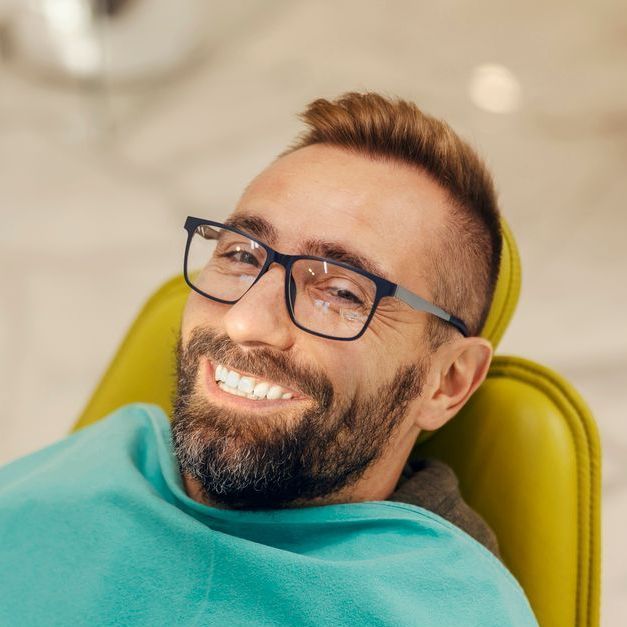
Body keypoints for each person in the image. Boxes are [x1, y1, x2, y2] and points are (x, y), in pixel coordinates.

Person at [0, 92, 538, 626]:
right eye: (240, 254)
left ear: (446, 382)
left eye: (344, 292)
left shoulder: (444, 609)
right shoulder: (94, 467)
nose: (244, 321)